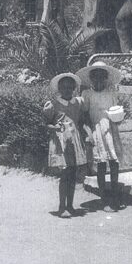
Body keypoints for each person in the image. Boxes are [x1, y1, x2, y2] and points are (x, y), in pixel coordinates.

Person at [76, 61, 125, 211]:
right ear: (91, 79)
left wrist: (118, 118)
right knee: (101, 164)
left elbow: (116, 111)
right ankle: (104, 199)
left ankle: (115, 197)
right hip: (96, 129)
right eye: (95, 77)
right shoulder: (87, 94)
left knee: (114, 162)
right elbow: (84, 115)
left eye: (101, 77)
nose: (98, 80)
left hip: (111, 129)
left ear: (106, 79)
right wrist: (88, 132)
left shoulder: (111, 93)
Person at [42, 72, 91, 218]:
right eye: (64, 87)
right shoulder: (53, 105)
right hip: (61, 142)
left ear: (74, 88)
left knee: (72, 173)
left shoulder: (78, 103)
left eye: (70, 87)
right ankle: (62, 207)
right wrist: (55, 128)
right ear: (59, 89)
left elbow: (81, 121)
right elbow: (46, 124)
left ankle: (70, 205)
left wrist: (87, 133)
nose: (67, 90)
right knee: (65, 174)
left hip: (74, 141)